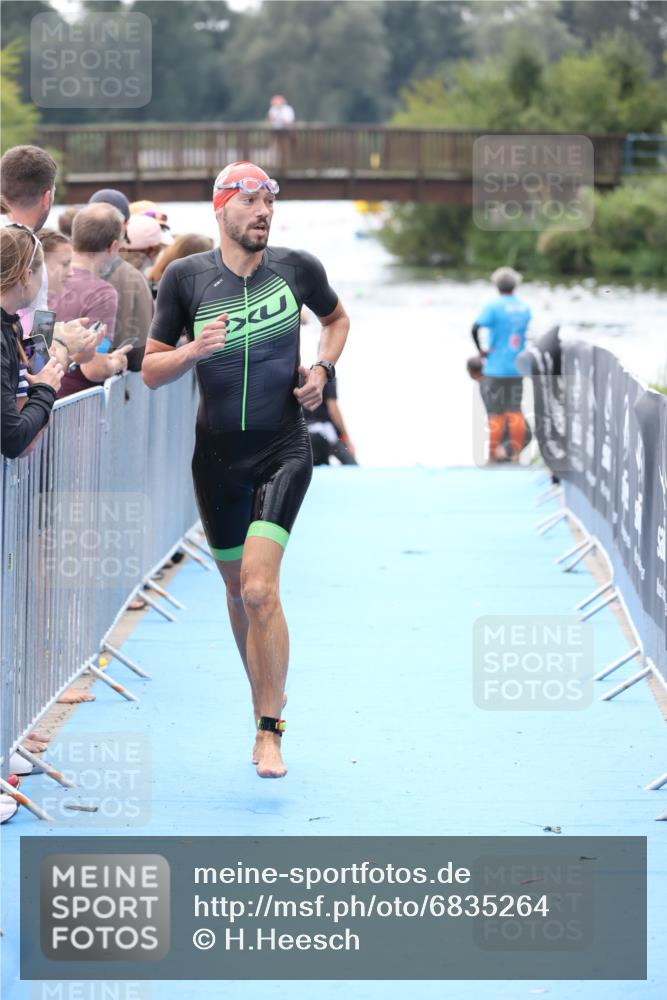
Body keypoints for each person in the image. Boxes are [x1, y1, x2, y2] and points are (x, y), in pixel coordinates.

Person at [142, 160, 349, 779]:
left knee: (260, 588)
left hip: (283, 448)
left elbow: (336, 321)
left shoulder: (297, 269)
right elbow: (151, 370)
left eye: (269, 204)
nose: (263, 213)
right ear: (221, 209)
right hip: (216, 461)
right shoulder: (185, 278)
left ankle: (269, 731)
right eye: (251, 203)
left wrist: (321, 372)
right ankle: (266, 689)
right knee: (237, 593)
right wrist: (193, 350)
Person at [49, 203, 131, 398]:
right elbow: (93, 368)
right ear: (112, 246)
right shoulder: (102, 293)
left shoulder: (45, 278)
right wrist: (115, 363)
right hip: (73, 408)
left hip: (34, 403)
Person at [1, 225, 63, 458]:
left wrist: (43, 370)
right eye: (41, 275)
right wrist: (46, 389)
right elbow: (14, 440)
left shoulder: (11, 325)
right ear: (27, 276)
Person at [87, 188, 154, 372]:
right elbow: (140, 354)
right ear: (125, 225)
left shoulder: (58, 268)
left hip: (54, 389)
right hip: (114, 386)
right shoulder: (134, 279)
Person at [471, 267, 531, 464]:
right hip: (516, 367)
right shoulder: (524, 307)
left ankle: (491, 457)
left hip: (495, 367)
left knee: (495, 413)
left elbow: (475, 327)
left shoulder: (493, 306)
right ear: (515, 285)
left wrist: (481, 350)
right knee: (515, 410)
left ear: (497, 285)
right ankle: (515, 455)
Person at [305, 379, 357, 465]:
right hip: (323, 432)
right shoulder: (327, 378)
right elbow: (333, 410)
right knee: (351, 464)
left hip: (304, 432)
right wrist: (346, 438)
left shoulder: (299, 378)